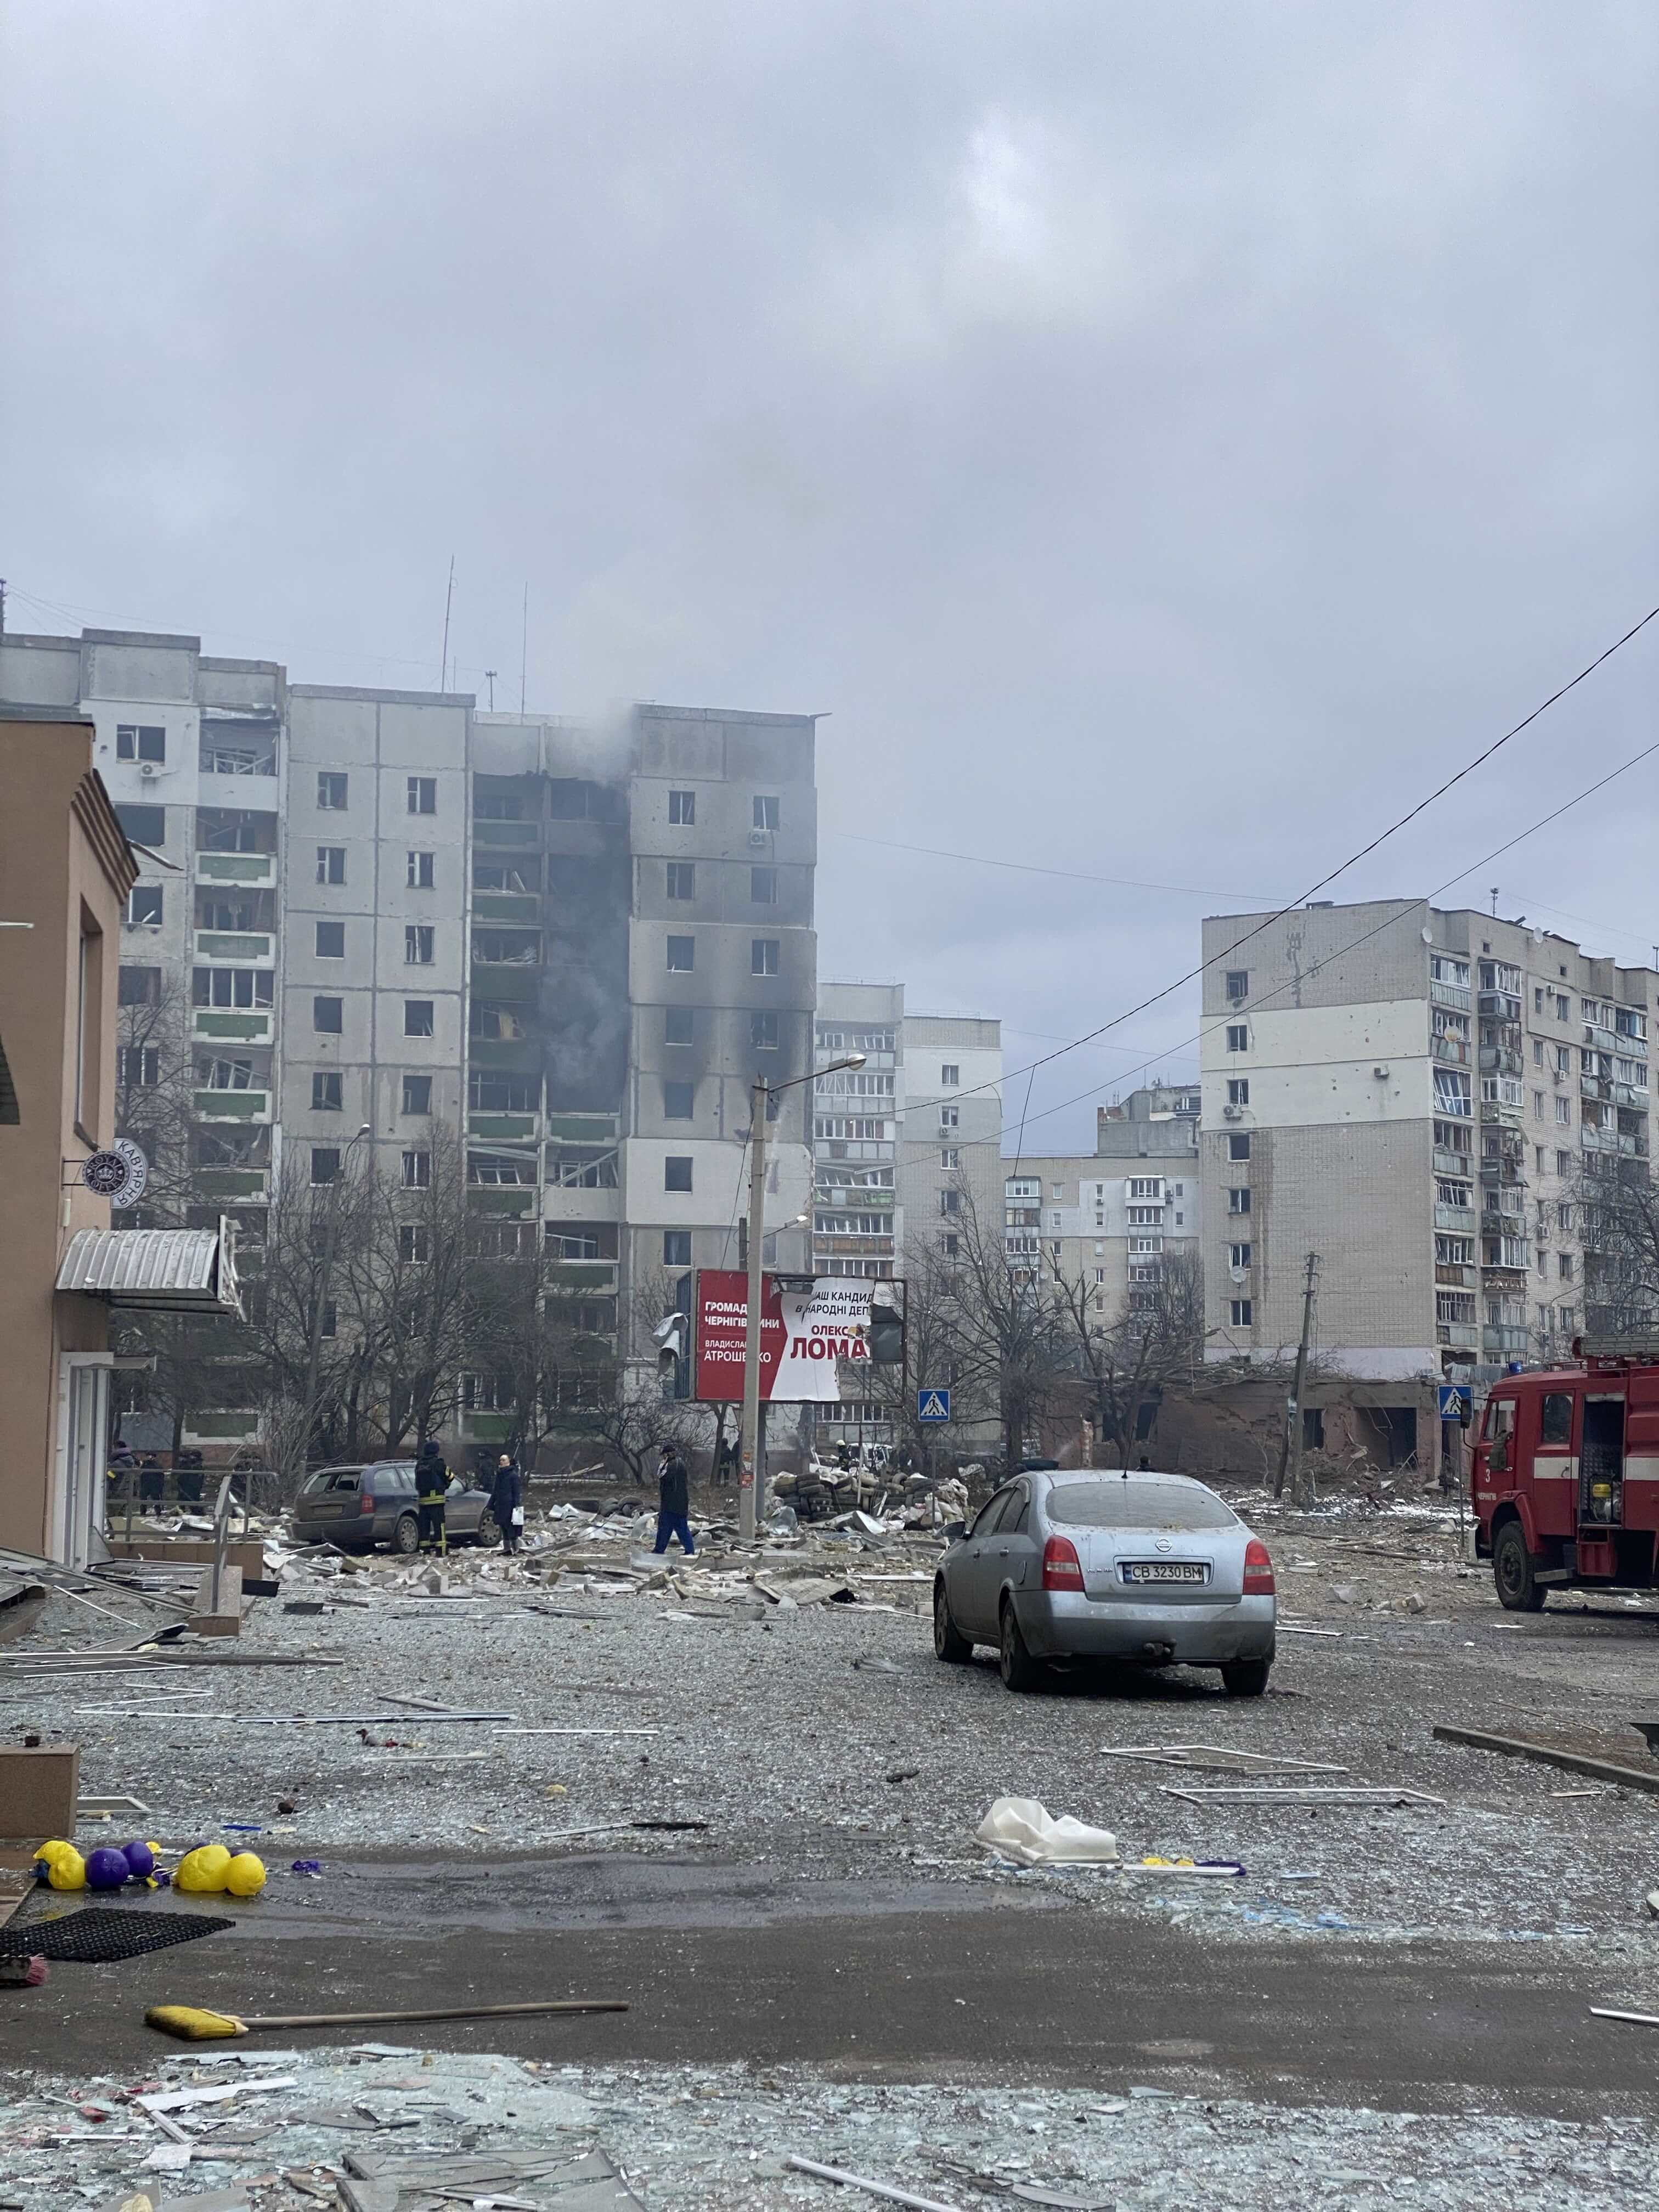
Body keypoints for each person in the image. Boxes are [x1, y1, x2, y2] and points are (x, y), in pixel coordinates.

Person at [653, 1441, 695, 1556]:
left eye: (664, 1456)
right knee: (680, 1528)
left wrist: (662, 1465)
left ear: (667, 1455)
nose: (663, 1458)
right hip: (679, 1503)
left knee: (666, 1528)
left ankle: (659, 1550)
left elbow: (662, 1476)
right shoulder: (680, 1463)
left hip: (672, 1503)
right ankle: (689, 1550)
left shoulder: (672, 1465)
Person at [414, 1436, 448, 1556]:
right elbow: (450, 1476)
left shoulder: (419, 1464)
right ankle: (441, 1552)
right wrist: (445, 1485)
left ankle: (425, 1552)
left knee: (424, 1528)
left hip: (423, 1502)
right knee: (439, 1527)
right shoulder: (438, 1463)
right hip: (437, 1502)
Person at [491, 1453, 523, 1555]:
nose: (502, 1462)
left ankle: (515, 1548)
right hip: (500, 1505)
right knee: (503, 1526)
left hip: (510, 1505)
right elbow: (495, 1491)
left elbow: (516, 1491)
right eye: (501, 1460)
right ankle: (507, 1549)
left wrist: (517, 1504)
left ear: (509, 1462)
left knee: (511, 1527)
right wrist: (490, 1504)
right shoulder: (499, 1475)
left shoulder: (513, 1475)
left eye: (504, 1460)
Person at [138, 1451, 166, 1517]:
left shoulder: (157, 1464)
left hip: (154, 1484)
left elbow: (161, 1475)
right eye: (147, 1455)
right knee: (143, 1499)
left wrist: (160, 1485)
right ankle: (143, 1512)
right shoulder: (145, 1464)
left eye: (149, 1455)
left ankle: (158, 1512)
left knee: (156, 1499)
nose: (148, 1457)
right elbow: (141, 1473)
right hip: (145, 1484)